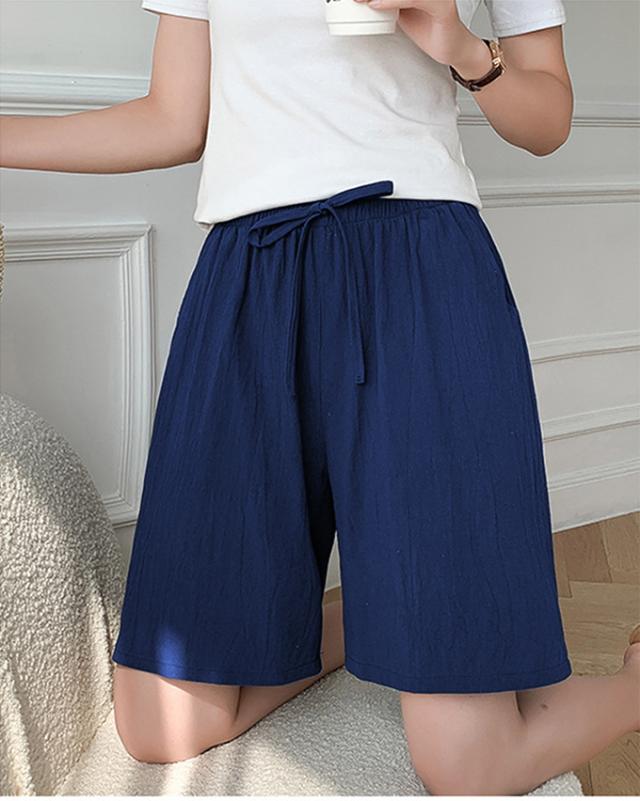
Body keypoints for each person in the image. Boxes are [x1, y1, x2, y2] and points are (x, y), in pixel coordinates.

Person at [2, 0, 638, 793]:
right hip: (248, 276)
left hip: (421, 273)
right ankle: (366, 618)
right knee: (160, 722)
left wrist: (457, 44)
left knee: (469, 766)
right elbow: (172, 118)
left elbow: (548, 119)